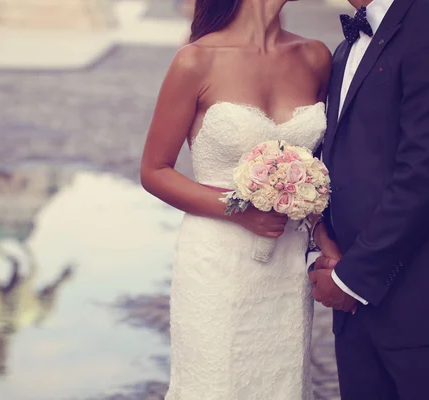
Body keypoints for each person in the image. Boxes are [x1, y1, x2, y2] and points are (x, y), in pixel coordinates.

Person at [140, 0, 331, 397]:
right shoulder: (195, 61)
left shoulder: (314, 56)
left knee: (284, 382)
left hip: (287, 260)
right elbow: (155, 171)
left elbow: (323, 163)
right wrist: (237, 210)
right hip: (217, 260)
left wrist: (323, 234)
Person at [309, 0, 429, 398]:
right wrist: (324, 242)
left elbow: (427, 171)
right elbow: (344, 161)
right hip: (354, 315)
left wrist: (351, 278)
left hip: (423, 303)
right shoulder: (345, 47)